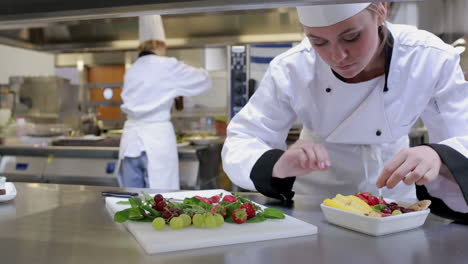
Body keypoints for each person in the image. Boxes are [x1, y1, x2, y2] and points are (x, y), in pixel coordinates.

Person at [221, 3, 468, 222]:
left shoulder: (428, 57)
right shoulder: (291, 67)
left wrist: (437, 154)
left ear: (381, 10)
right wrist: (277, 164)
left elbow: (462, 136)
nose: (337, 56)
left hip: (398, 206)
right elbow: (242, 140)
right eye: (318, 41)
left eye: (351, 37)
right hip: (314, 207)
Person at [119, 15, 212, 189]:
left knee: (130, 202)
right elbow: (204, 80)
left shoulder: (132, 70)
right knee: (160, 202)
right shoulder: (167, 65)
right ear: (161, 44)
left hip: (130, 144)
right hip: (156, 142)